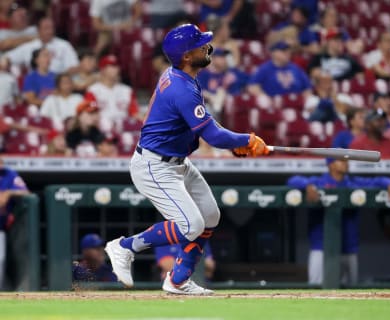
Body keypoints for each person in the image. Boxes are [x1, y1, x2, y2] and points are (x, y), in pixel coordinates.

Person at [104, 24, 269, 295]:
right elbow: (213, 136)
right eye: (200, 44)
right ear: (187, 56)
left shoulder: (182, 75)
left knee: (210, 216)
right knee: (191, 225)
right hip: (154, 166)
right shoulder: (180, 87)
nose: (207, 46)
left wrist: (238, 143)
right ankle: (124, 247)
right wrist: (246, 140)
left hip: (177, 162)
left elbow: (208, 128)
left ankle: (178, 280)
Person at [287, 158, 390, 285]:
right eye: (341, 160)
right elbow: (292, 180)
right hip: (321, 247)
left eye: (346, 160)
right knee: (316, 289)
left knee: (350, 292)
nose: (346, 163)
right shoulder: (318, 182)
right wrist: (307, 186)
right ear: (331, 165)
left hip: (348, 247)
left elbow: (380, 181)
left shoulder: (353, 182)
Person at [85, 54, 140, 131]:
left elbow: (134, 113)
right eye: (112, 66)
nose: (116, 69)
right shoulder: (93, 91)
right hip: (102, 129)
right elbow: (90, 114)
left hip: (124, 129)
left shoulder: (127, 90)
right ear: (103, 69)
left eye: (116, 66)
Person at [5, 17, 79, 74]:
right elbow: (7, 58)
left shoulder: (64, 45)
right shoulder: (29, 47)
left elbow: (73, 67)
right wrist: (4, 62)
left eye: (51, 28)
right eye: (46, 28)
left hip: (57, 85)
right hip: (35, 85)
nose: (50, 31)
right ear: (38, 30)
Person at [247, 41, 311, 104]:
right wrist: (265, 97)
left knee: (313, 101)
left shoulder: (296, 68)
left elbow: (307, 87)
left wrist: (306, 99)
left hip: (296, 102)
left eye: (288, 51)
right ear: (274, 53)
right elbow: (252, 86)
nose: (287, 53)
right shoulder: (265, 69)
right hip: (274, 103)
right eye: (283, 51)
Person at [0, 157, 29, 289]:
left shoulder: (8, 173)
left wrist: (8, 192)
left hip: (6, 224)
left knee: (6, 258)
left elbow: (26, 192)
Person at [197, 48, 248, 117]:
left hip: (230, 103)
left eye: (225, 57)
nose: (224, 60)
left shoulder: (234, 72)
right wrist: (211, 97)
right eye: (221, 57)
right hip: (210, 104)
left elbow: (250, 83)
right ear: (214, 59)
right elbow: (198, 90)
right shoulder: (205, 74)